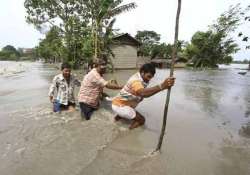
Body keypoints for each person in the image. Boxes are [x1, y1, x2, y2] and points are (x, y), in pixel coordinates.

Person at [112, 63, 175, 129]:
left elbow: (143, 92)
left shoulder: (141, 77)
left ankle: (115, 120)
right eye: (148, 76)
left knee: (125, 114)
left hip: (120, 103)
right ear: (142, 73)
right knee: (142, 120)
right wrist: (162, 86)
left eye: (151, 77)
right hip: (120, 105)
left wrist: (163, 87)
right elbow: (143, 93)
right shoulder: (135, 81)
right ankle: (127, 132)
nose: (149, 79)